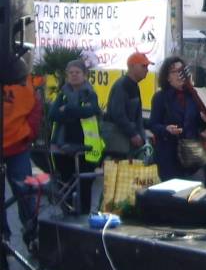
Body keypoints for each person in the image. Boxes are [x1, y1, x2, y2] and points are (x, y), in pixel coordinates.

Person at [49, 59, 102, 213]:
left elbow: (90, 111)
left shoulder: (90, 93)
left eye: (77, 72)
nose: (74, 75)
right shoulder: (62, 94)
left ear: (84, 75)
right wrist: (75, 110)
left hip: (85, 148)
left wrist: (67, 109)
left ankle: (84, 218)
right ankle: (67, 214)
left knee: (84, 185)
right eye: (71, 73)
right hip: (62, 146)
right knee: (65, 183)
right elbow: (52, 114)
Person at [2, 66, 44, 248]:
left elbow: (35, 106)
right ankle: (4, 239)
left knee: (25, 193)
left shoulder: (21, 75)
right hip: (17, 144)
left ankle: (32, 236)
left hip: (18, 147)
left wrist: (28, 133)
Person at [149, 56, 206, 181]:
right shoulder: (161, 97)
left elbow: (198, 124)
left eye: (181, 71)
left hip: (191, 155)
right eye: (174, 71)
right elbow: (153, 124)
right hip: (169, 155)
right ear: (167, 77)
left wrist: (203, 120)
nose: (179, 75)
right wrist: (166, 129)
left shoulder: (192, 96)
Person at [105, 51, 152, 159]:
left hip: (127, 143)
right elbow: (118, 114)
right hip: (119, 144)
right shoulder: (122, 85)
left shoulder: (133, 85)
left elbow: (137, 116)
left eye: (147, 66)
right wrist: (133, 134)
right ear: (132, 66)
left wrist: (142, 135)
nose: (147, 70)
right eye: (143, 66)